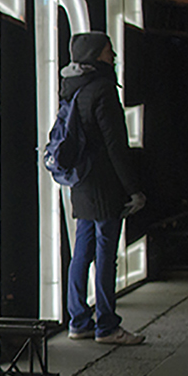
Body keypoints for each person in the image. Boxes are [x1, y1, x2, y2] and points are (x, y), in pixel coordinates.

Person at [61, 31, 146, 346]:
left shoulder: (73, 87)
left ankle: (78, 320)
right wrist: (133, 189)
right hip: (106, 186)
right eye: (109, 51)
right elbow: (116, 146)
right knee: (106, 254)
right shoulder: (103, 90)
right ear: (96, 55)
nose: (113, 56)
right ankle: (107, 325)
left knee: (81, 253)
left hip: (81, 183)